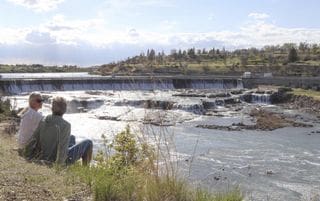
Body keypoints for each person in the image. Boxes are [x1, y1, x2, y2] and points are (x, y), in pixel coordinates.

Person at [25, 97, 93, 166]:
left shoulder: (43, 120)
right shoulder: (66, 125)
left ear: (52, 109)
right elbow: (62, 149)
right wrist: (59, 165)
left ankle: (73, 165)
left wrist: (27, 154)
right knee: (88, 143)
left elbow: (33, 139)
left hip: (43, 156)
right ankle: (85, 167)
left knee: (72, 137)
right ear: (65, 110)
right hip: (56, 160)